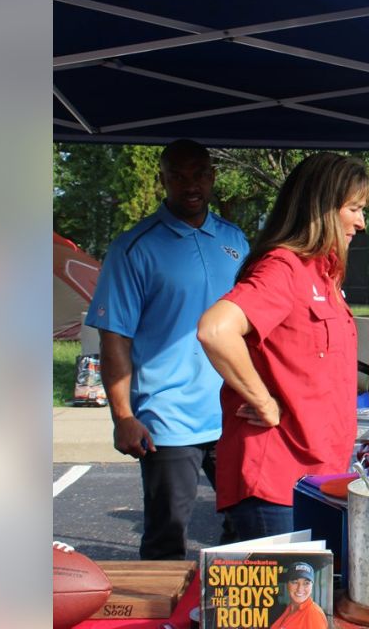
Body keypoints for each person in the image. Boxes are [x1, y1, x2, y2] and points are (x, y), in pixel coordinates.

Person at [197, 152, 369, 539]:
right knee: (284, 601)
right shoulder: (284, 268)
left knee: (311, 599)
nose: (361, 223)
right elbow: (215, 330)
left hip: (318, 475)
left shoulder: (323, 274)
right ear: (324, 207)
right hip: (278, 483)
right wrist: (262, 401)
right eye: (355, 209)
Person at [85, 139, 249, 560]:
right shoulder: (133, 248)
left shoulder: (235, 241)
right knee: (166, 540)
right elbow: (114, 337)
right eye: (177, 175)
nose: (189, 184)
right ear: (163, 180)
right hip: (168, 418)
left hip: (235, 410)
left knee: (250, 529)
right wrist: (123, 416)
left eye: (198, 174)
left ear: (213, 177)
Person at [269, 561, 328, 629]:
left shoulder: (314, 614)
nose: (300, 589)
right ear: (287, 585)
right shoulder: (289, 609)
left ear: (311, 586)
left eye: (306, 583)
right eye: (295, 582)